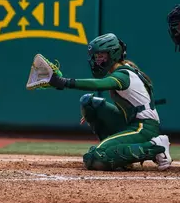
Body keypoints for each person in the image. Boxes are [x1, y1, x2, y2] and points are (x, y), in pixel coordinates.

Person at [47, 33, 172, 171]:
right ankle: (120, 158)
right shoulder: (124, 71)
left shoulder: (123, 74)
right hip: (130, 123)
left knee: (94, 158)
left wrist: (65, 82)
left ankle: (156, 147)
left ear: (113, 54)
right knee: (89, 103)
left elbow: (99, 84)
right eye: (96, 56)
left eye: (101, 56)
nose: (97, 60)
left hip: (144, 128)